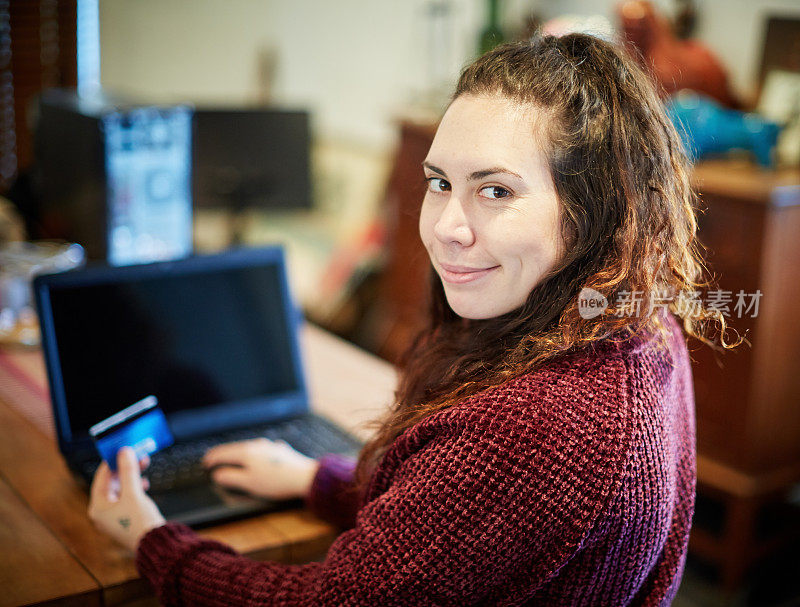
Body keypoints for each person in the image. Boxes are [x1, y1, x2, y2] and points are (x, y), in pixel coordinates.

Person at [88, 33, 737, 606]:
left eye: (496, 190)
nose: (447, 227)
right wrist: (317, 477)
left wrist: (153, 539)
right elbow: (458, 528)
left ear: (594, 210)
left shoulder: (544, 427)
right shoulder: (635, 321)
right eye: (439, 182)